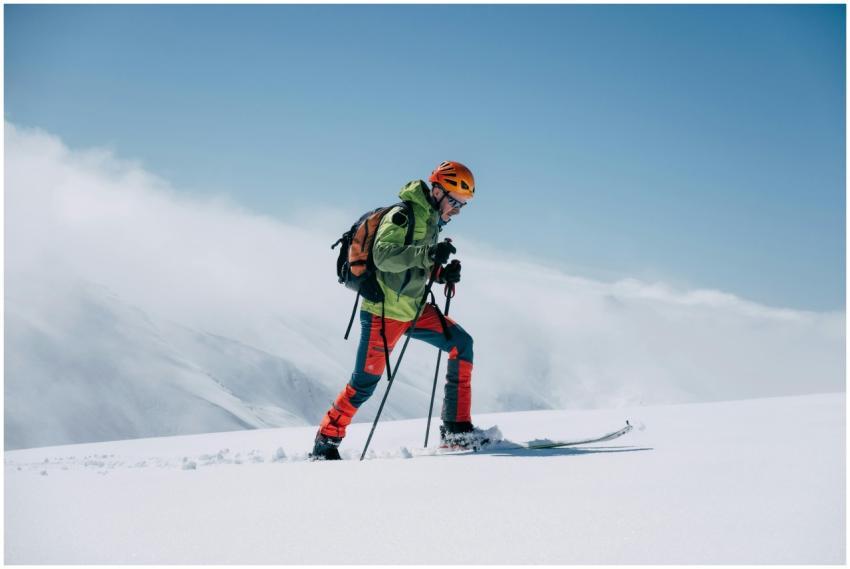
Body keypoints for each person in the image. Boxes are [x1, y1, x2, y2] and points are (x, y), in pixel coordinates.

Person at [311, 161, 488, 460]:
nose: (457, 210)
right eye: (455, 202)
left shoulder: (431, 221)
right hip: (384, 313)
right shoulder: (403, 216)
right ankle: (326, 440)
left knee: (462, 344)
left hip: (414, 309)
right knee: (364, 383)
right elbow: (384, 257)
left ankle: (456, 429)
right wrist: (428, 254)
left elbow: (414, 268)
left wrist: (442, 274)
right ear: (437, 191)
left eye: (463, 205)